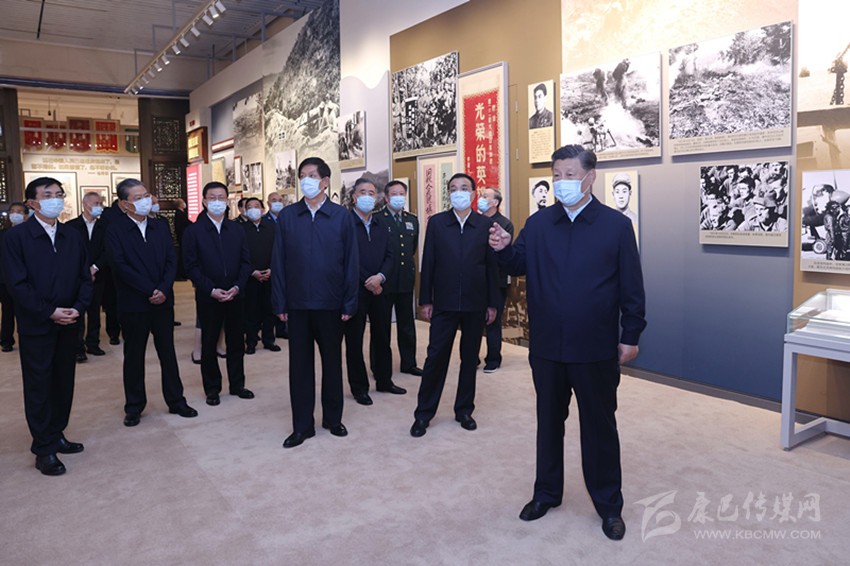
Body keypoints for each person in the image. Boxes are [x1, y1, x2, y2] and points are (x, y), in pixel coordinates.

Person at [488, 145, 646, 541]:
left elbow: (632, 287)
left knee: (599, 427)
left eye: (570, 175)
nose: (562, 183)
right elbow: (518, 264)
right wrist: (503, 249)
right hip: (547, 348)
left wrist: (631, 335)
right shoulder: (539, 223)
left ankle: (609, 506)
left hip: (594, 348)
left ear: (590, 177)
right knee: (548, 423)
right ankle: (546, 494)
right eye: (556, 175)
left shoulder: (615, 226)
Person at [3, 177, 92, 476]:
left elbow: (84, 277)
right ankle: (43, 448)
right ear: (32, 202)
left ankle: (56, 432)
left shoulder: (72, 235)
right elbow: (17, 285)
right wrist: (49, 312)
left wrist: (78, 308)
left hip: (70, 321)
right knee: (39, 385)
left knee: (63, 381)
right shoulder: (16, 238)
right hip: (37, 324)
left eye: (59, 194)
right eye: (48, 195)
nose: (56, 199)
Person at [271, 157, 359, 448]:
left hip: (331, 304)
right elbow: (278, 263)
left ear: (325, 181)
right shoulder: (288, 216)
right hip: (297, 305)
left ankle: (333, 419)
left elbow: (351, 263)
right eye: (302, 175)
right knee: (300, 367)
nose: (305, 180)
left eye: (311, 175)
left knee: (332, 364)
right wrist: (280, 302)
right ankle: (302, 426)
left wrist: (349, 302)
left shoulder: (341, 217)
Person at [410, 173, 498, 438]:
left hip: (475, 303)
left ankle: (464, 410)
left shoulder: (484, 225)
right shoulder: (437, 223)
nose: (458, 192)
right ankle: (423, 414)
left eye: (464, 188)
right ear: (449, 194)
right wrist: (426, 299)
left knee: (470, 359)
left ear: (473, 193)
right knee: (435, 357)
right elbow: (428, 262)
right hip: (444, 303)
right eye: (453, 188)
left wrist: (492, 303)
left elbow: (491, 268)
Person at [107, 179, 198, 426]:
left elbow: (171, 258)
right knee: (134, 355)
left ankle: (176, 400)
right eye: (138, 198)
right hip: (134, 303)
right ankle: (134, 406)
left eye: (146, 195)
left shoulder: (160, 225)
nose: (145, 201)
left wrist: (164, 288)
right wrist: (149, 289)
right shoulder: (115, 229)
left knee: (167, 352)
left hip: (163, 301)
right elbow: (120, 266)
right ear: (124, 204)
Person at [183, 181, 255, 407]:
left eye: (221, 197)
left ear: (227, 201)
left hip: (235, 295)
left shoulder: (237, 229)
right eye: (212, 198)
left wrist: (237, 286)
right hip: (209, 296)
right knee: (209, 342)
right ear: (204, 202)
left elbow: (246, 262)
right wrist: (211, 290)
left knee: (236, 342)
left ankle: (237, 384)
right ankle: (212, 388)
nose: (217, 202)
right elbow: (191, 266)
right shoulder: (193, 231)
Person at [344, 178, 403, 406]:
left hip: (380, 288)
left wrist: (380, 277)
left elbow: (391, 255)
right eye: (363, 192)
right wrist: (367, 280)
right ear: (354, 197)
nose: (368, 196)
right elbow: (345, 257)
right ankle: (359, 387)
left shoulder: (381, 223)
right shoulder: (345, 223)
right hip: (355, 290)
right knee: (354, 340)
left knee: (382, 336)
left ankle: (384, 380)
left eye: (372, 192)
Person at [377, 180, 422, 376]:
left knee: (407, 324)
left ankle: (409, 363)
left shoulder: (412, 220)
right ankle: (380, 367)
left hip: (405, 279)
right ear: (386, 198)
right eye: (394, 194)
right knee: (381, 327)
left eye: (402, 194)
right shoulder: (378, 218)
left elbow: (411, 248)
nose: (398, 197)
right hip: (384, 280)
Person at [67, 191, 108, 362]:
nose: (100, 207)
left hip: (99, 274)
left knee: (94, 311)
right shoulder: (71, 226)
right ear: (85, 205)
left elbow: (108, 251)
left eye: (101, 204)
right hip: (77, 276)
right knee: (78, 311)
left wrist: (95, 268)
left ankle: (93, 343)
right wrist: (85, 271)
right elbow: (69, 253)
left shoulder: (105, 227)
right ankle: (78, 348)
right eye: (96, 203)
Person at [477, 188, 514, 373]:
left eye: (485, 197)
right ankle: (471, 357)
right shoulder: (476, 221)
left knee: (493, 321)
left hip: (497, 280)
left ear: (495, 202)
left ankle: (493, 359)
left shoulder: (505, 224)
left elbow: (503, 253)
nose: (481, 199)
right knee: (473, 321)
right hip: (476, 279)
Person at [242, 197, 279, 355]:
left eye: (256, 206)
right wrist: (253, 271)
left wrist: (271, 268)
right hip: (250, 277)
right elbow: (240, 254)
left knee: (269, 309)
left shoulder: (271, 228)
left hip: (270, 275)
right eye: (249, 207)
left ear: (263, 209)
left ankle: (269, 340)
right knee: (251, 310)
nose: (253, 209)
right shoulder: (241, 229)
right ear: (245, 211)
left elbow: (277, 250)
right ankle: (251, 341)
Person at [0, 202, 27, 352]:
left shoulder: (30, 233)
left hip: (26, 280)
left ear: (26, 216)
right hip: (5, 279)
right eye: (12, 211)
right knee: (7, 311)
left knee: (26, 311)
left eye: (19, 212)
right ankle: (6, 340)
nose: (15, 214)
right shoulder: (2, 234)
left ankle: (27, 339)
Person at [173, 197, 191, 281]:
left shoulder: (182, 213)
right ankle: (181, 274)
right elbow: (184, 224)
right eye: (183, 202)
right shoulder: (179, 214)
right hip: (182, 236)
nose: (184, 204)